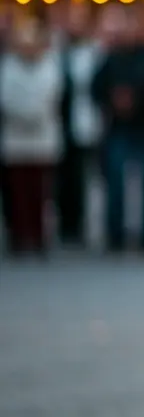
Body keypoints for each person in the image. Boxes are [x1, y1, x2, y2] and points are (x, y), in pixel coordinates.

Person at [91, 8, 144, 253]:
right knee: (116, 182)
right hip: (118, 128)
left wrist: (137, 101)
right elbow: (96, 88)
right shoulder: (111, 58)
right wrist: (113, 100)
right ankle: (115, 234)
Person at [0, 18, 64, 256]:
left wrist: (32, 113)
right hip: (16, 138)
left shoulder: (49, 66)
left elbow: (50, 96)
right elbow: (7, 98)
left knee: (40, 193)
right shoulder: (9, 67)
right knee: (17, 192)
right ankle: (19, 235)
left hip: (41, 137)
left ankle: (39, 236)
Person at [58, 3, 103, 248]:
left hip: (87, 121)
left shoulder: (96, 51)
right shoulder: (58, 51)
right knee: (63, 177)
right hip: (61, 123)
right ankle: (65, 224)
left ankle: (81, 224)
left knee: (83, 174)